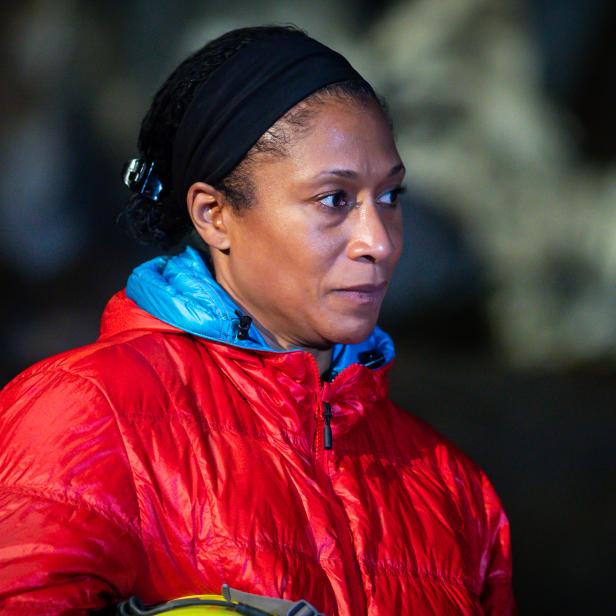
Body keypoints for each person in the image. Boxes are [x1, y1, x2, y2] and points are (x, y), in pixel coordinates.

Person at [0, 25, 515, 615]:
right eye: (334, 200)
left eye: (391, 197)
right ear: (214, 215)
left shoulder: (454, 491)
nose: (379, 241)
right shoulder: (84, 416)